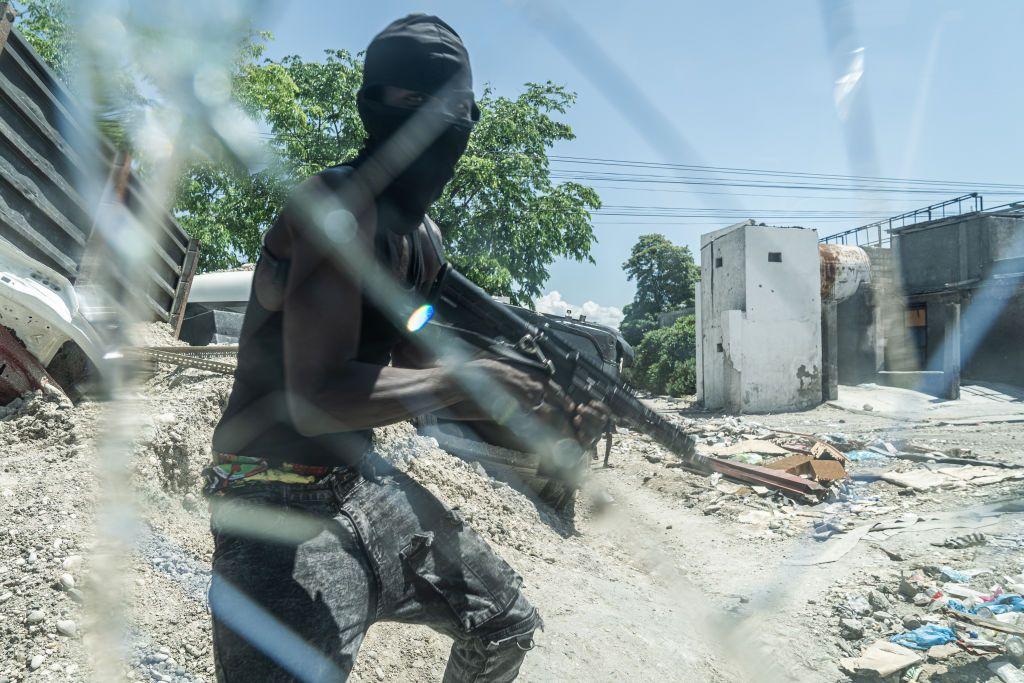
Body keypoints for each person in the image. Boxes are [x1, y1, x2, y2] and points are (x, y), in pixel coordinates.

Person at [205, 14, 607, 682]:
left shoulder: (424, 240)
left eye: (452, 109)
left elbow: (419, 364)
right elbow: (315, 398)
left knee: (503, 621)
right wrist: (468, 374)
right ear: (372, 106)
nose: (433, 125)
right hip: (267, 500)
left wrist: (541, 413)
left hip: (357, 481)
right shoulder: (336, 205)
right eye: (412, 103)